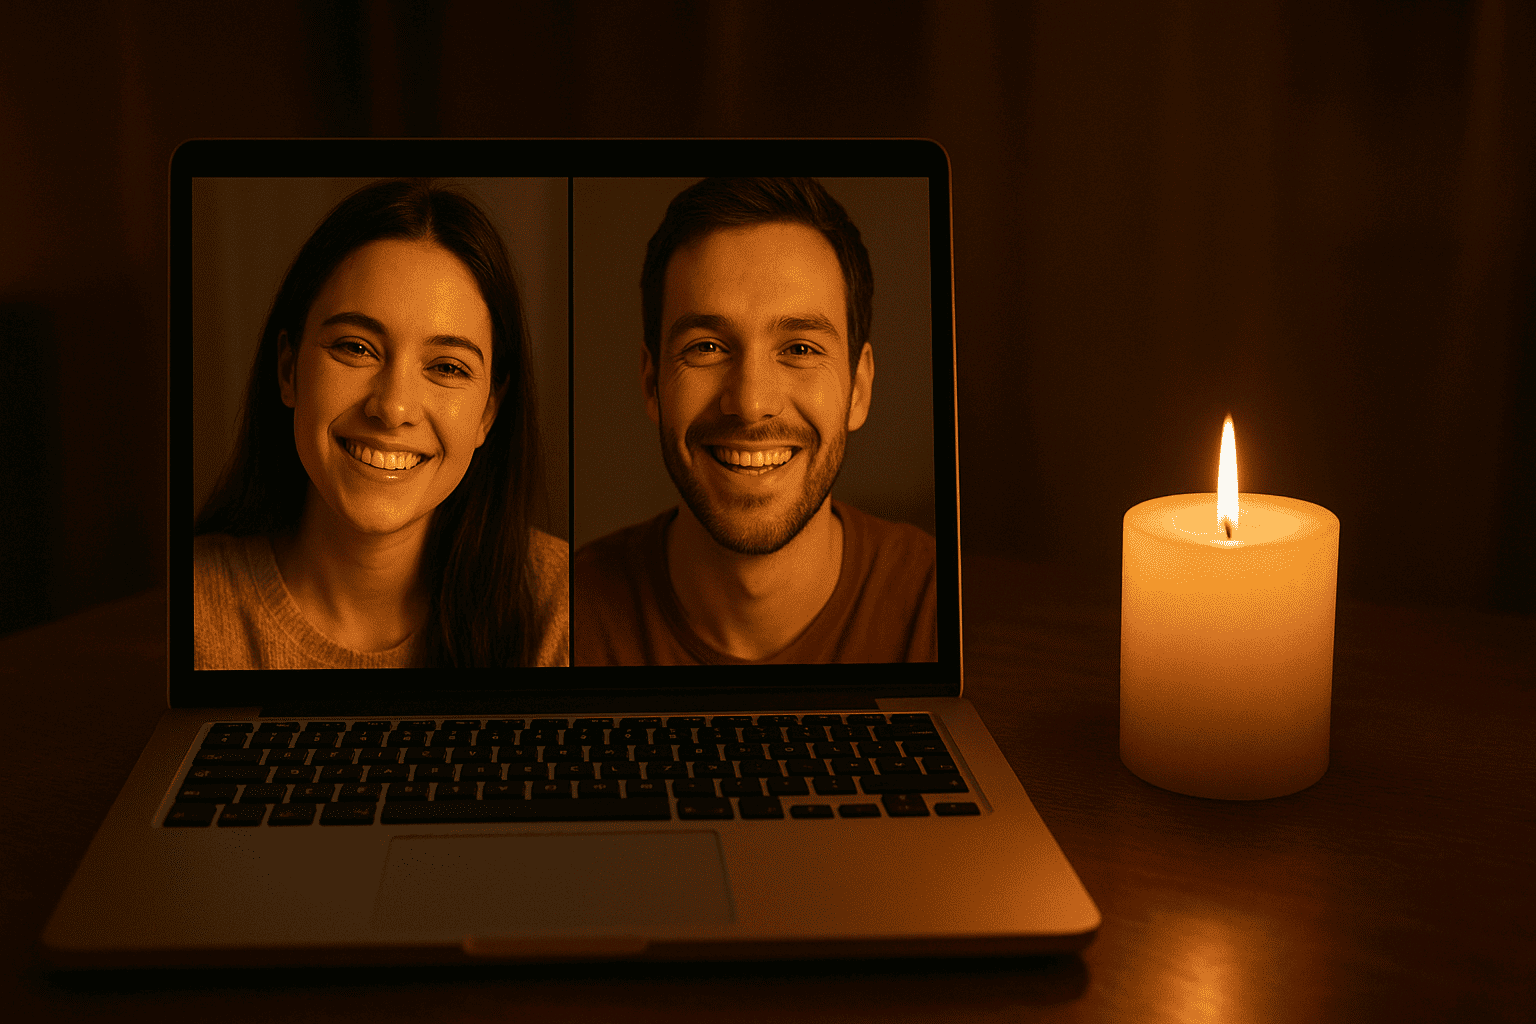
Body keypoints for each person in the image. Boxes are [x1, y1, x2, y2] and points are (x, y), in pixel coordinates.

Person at [194, 179, 568, 668]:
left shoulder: (562, 602)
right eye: (356, 347)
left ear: (488, 413)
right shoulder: (195, 604)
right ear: (289, 371)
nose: (392, 408)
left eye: (448, 367)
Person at [574, 177, 936, 665]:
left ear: (859, 389)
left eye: (800, 349)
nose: (750, 403)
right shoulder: (564, 615)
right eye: (707, 348)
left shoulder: (936, 603)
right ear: (651, 383)